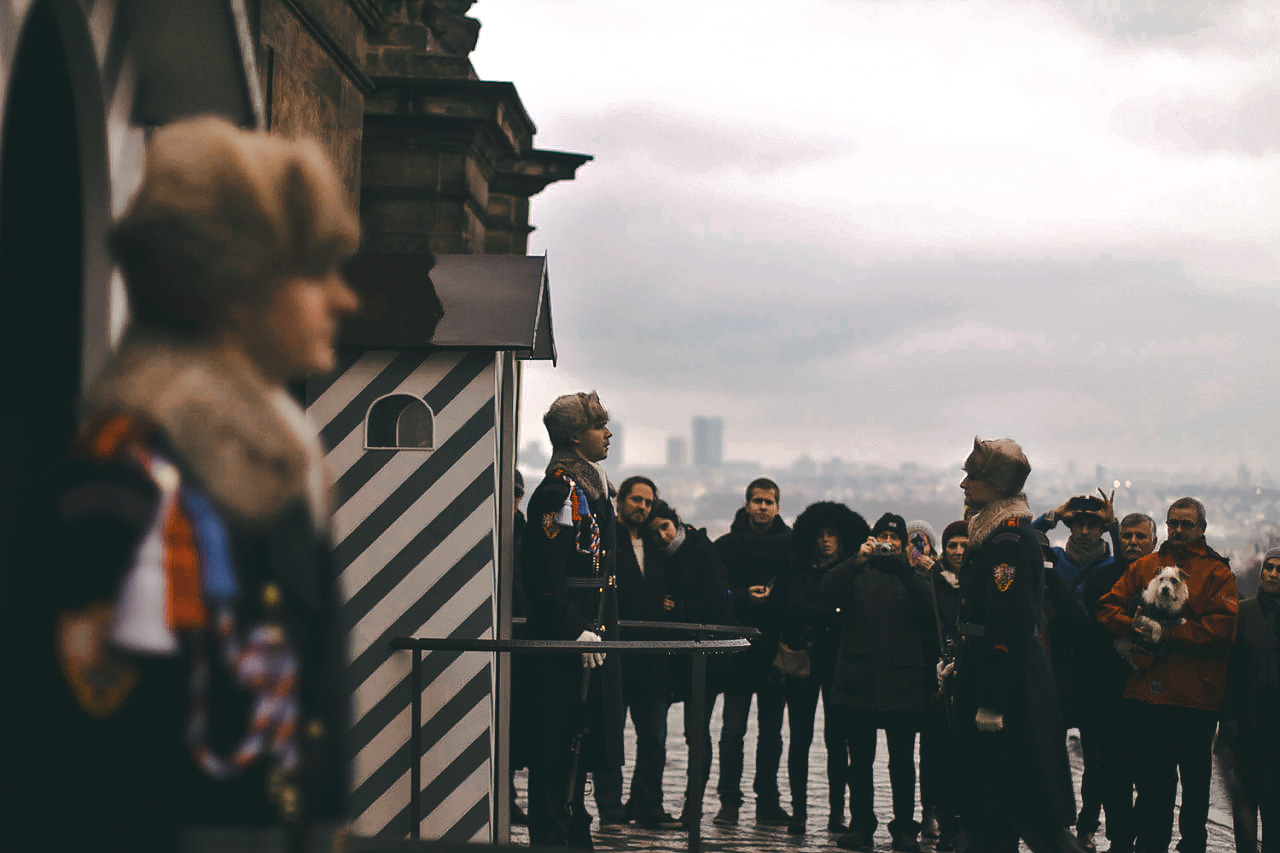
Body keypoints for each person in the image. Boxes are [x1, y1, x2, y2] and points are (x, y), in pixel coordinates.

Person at [24, 117, 359, 853]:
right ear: (237, 286)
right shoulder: (127, 480)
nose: (343, 299)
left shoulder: (266, 460)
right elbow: (97, 769)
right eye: (316, 270)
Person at [952, 437, 1081, 853]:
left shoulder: (1008, 542)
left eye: (972, 476)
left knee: (1023, 803)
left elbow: (1009, 624)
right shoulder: (993, 536)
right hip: (991, 673)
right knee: (990, 802)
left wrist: (992, 699)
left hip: (1009, 684)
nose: (964, 484)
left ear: (994, 484)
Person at [1097, 497, 1239, 853]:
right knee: (1153, 782)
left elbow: (1222, 629)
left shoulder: (1217, 573)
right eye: (1172, 523)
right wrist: (1136, 626)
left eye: (1186, 524)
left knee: (1195, 782)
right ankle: (1151, 844)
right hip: (1150, 694)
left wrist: (1171, 634)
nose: (1177, 530)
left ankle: (1193, 844)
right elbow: (1107, 607)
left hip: (1196, 696)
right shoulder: (1146, 566)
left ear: (1201, 529)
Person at [521, 391, 625, 848]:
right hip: (567, 649)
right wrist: (573, 630)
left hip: (591, 642)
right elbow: (543, 577)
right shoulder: (558, 491)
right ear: (575, 437)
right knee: (556, 755)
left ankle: (573, 835)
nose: (608, 433)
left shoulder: (590, 488)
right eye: (599, 426)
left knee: (577, 756)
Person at [825, 512, 934, 853]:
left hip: (902, 682)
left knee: (901, 762)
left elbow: (932, 611)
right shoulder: (857, 570)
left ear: (904, 543)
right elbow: (826, 592)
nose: (888, 542)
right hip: (859, 680)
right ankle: (861, 826)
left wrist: (905, 567)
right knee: (859, 762)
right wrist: (855, 561)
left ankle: (904, 828)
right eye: (882, 536)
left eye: (894, 537)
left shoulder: (915, 574)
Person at [1035, 491, 1129, 852]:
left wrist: (1116, 525)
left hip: (1096, 672)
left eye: (1093, 525)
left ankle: (1088, 822)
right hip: (1055, 667)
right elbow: (1027, 540)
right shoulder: (1055, 559)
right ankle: (1058, 818)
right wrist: (1053, 515)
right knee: (1051, 751)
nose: (1085, 531)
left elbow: (1130, 564)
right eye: (1079, 524)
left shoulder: (1110, 565)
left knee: (1097, 759)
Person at [594, 476, 682, 830]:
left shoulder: (656, 542)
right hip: (616, 653)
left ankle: (647, 807)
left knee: (655, 741)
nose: (642, 507)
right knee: (609, 735)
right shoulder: (607, 538)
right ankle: (611, 811)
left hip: (652, 657)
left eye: (648, 502)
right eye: (636, 500)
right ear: (621, 502)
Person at [782, 502, 870, 836]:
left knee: (837, 741)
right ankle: (799, 812)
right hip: (806, 661)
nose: (825, 541)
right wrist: (831, 611)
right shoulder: (800, 569)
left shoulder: (850, 572)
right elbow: (793, 607)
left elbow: (802, 608)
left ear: (842, 538)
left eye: (831, 535)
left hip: (837, 665)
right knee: (800, 739)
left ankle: (836, 814)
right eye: (820, 535)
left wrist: (817, 611)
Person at [646, 499, 731, 827]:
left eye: (665, 528)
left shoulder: (701, 550)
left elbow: (711, 603)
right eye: (656, 534)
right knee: (655, 731)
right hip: (671, 655)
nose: (663, 538)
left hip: (700, 656)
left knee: (696, 733)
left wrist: (674, 606)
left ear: (676, 521)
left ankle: (692, 807)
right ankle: (649, 803)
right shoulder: (657, 556)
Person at [714, 477, 792, 827]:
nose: (763, 507)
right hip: (737, 651)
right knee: (732, 732)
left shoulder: (792, 548)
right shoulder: (727, 546)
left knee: (772, 736)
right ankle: (729, 801)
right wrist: (744, 596)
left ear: (777, 506)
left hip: (774, 652)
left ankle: (767, 802)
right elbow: (716, 593)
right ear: (747, 504)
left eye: (769, 501)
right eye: (757, 501)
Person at [1219, 547, 1280, 852]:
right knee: (1245, 801)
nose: (1272, 573)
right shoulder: (1244, 612)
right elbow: (1228, 669)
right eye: (1268, 567)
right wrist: (1227, 716)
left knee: (1275, 806)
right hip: (1246, 723)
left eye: (1279, 569)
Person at [918, 519, 968, 851]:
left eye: (964, 545)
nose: (959, 552)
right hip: (935, 677)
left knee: (961, 752)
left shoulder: (979, 582)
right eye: (952, 545)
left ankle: (957, 816)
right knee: (934, 751)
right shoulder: (931, 583)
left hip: (967, 677)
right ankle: (932, 810)